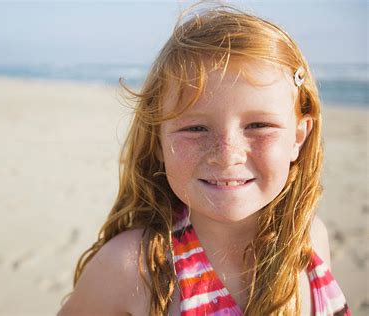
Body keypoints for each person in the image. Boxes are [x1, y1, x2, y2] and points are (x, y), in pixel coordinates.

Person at [58, 3, 350, 315]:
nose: (227, 155)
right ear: (157, 140)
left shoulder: (310, 241)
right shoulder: (133, 268)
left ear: (298, 137)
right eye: (195, 128)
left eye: (258, 125)